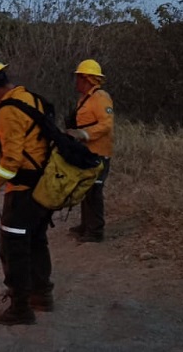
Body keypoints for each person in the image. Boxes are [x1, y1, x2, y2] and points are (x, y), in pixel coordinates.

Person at [0, 59, 55, 325]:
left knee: (14, 246)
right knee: (37, 240)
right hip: (44, 185)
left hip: (22, 192)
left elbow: (11, 163)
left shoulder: (8, 109)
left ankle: (20, 309)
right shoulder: (31, 98)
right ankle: (41, 295)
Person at [66, 59, 115, 243]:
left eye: (79, 78)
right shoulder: (85, 99)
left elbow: (106, 124)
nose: (76, 81)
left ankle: (95, 231)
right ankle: (86, 225)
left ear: (86, 78)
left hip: (99, 152)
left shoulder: (100, 97)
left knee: (94, 190)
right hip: (87, 153)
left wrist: (85, 134)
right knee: (86, 189)